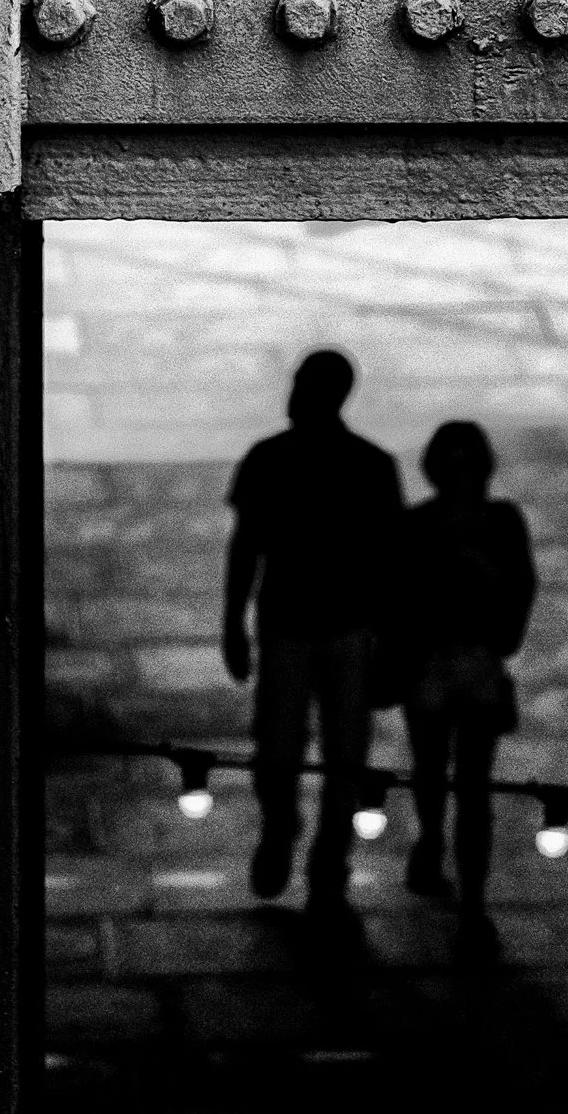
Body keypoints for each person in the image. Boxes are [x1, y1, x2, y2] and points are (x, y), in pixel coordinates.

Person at [223, 349, 404, 913]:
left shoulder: (269, 457)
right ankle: (328, 859)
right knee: (344, 753)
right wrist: (392, 640)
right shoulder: (372, 463)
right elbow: (388, 563)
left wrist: (233, 620)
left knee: (279, 745)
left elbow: (247, 545)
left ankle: (282, 832)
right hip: (346, 625)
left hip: (289, 622)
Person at [394, 420, 538, 954]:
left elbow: (519, 585)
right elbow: (400, 592)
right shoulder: (440, 523)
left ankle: (469, 892)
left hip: (473, 660)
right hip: (435, 660)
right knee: (433, 772)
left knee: (471, 786)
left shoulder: (492, 521)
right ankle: (434, 841)